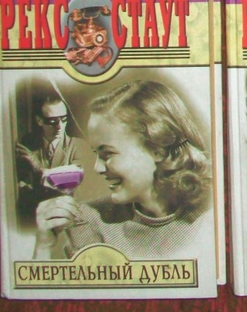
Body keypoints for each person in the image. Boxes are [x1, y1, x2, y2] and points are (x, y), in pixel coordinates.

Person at [33, 80, 212, 260]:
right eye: (96, 154)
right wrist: (44, 247)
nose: (97, 168)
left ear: (158, 149)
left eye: (108, 154)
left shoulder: (209, 217)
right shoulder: (90, 219)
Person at [15, 93, 85, 221]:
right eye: (52, 121)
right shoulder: (29, 144)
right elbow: (17, 180)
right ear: (39, 121)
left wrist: (38, 168)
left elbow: (72, 183)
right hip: (37, 220)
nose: (59, 126)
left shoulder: (79, 146)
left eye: (63, 119)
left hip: (69, 220)